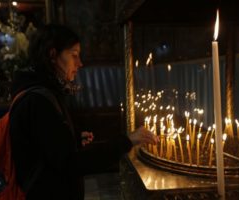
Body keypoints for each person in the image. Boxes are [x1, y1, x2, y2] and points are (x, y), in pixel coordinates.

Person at [9, 24, 157, 200]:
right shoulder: (38, 100)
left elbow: (48, 149)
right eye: (74, 56)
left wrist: (71, 139)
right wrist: (127, 141)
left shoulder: (45, 91)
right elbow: (70, 163)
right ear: (53, 55)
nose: (80, 63)